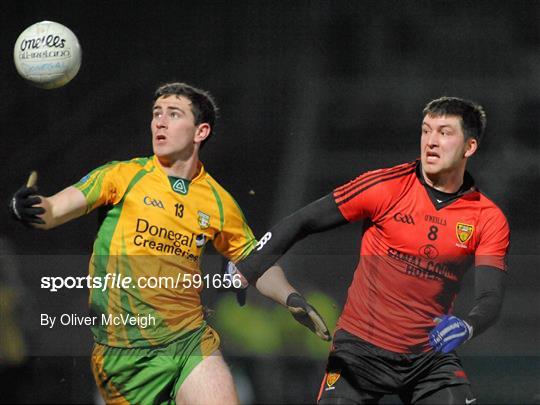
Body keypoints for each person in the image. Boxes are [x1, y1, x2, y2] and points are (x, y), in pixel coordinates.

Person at [9, 82, 330, 405]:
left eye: (173, 114)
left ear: (200, 131)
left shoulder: (218, 202)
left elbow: (256, 263)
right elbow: (53, 210)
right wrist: (28, 208)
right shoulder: (121, 176)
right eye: (156, 114)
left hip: (189, 340)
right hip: (125, 355)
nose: (159, 122)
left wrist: (289, 296)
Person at [232, 97, 510, 404]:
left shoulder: (487, 218)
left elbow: (490, 297)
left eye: (444, 132)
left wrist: (468, 325)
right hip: (361, 350)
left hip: (428, 356)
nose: (431, 141)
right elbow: (304, 220)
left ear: (469, 147)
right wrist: (249, 267)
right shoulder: (386, 186)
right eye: (426, 130)